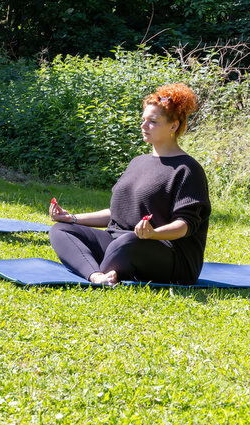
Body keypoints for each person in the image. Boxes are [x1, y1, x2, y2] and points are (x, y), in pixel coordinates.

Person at [49, 83, 211, 285]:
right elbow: (117, 213)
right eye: (143, 120)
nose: (143, 126)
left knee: (128, 243)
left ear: (174, 126)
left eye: (153, 121)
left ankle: (106, 266)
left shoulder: (187, 169)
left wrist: (153, 234)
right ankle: (97, 276)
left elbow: (185, 225)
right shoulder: (138, 162)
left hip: (169, 256)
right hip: (121, 243)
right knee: (61, 230)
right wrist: (71, 218)